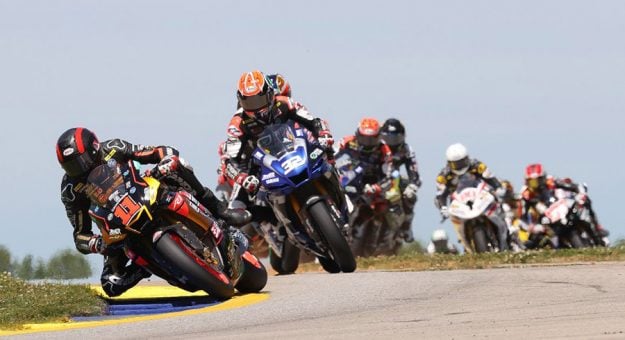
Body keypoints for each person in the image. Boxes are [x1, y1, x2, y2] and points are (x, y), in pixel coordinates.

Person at [57, 127, 249, 297]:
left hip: (142, 194)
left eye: (80, 162)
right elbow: (80, 236)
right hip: (117, 228)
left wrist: (165, 158)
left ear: (94, 148)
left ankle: (219, 210)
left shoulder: (114, 148)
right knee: (110, 284)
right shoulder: (70, 190)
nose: (78, 169)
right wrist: (97, 244)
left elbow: (152, 151)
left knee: (177, 167)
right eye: (71, 166)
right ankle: (146, 266)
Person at [434, 143, 508, 252]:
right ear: (449, 164)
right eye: (456, 164)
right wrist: (443, 207)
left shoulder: (477, 166)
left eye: (462, 162)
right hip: (459, 200)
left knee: (499, 205)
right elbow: (440, 195)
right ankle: (466, 245)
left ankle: (506, 231)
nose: (460, 166)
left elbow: (491, 178)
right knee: (453, 218)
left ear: (467, 159)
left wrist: (498, 188)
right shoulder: (443, 176)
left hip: (479, 194)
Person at [520, 163, 608, 246]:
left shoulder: (552, 181)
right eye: (532, 182)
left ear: (543, 177)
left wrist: (581, 194)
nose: (536, 185)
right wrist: (533, 227)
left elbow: (574, 187)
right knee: (533, 241)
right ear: (527, 181)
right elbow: (522, 219)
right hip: (547, 221)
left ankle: (597, 229)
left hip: (565, 209)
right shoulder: (526, 194)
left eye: (538, 180)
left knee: (585, 203)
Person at [379, 118, 421, 243]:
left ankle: (406, 226)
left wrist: (413, 185)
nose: (391, 143)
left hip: (393, 179)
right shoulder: (375, 145)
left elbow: (413, 170)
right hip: (371, 178)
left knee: (410, 195)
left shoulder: (406, 149)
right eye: (388, 138)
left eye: (395, 139)